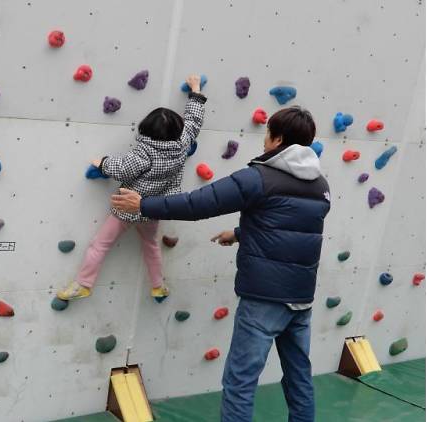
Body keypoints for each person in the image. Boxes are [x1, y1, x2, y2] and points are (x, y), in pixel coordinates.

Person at [111, 106, 330, 422]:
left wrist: (143, 203)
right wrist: (242, 233)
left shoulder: (259, 178)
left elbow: (199, 204)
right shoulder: (320, 185)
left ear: (278, 139)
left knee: (240, 382)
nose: (264, 140)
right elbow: (291, 224)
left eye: (268, 134)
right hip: (301, 299)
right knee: (298, 378)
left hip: (264, 299)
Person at [56, 74, 208, 302]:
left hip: (127, 208)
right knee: (151, 246)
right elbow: (194, 121)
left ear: (146, 129)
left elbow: (123, 169)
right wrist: (195, 89)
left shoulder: (144, 151)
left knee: (99, 245)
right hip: (154, 209)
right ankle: (158, 286)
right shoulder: (182, 143)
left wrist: (103, 162)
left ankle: (83, 284)